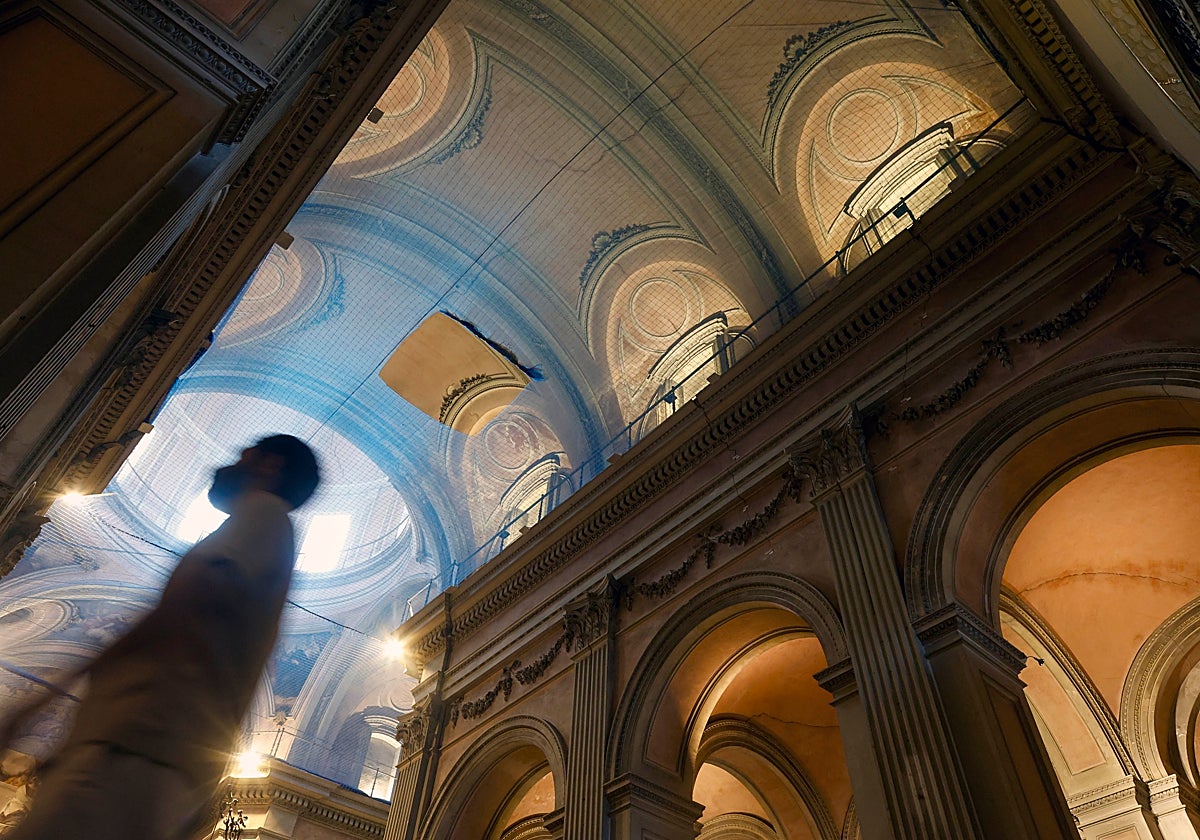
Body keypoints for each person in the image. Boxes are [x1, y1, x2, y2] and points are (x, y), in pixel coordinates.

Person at [0, 434, 320, 839]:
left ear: (270, 466)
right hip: (152, 758)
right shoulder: (269, 532)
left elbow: (178, 614)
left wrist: (45, 696)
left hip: (133, 750)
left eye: (245, 456)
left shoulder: (262, 517)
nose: (230, 465)